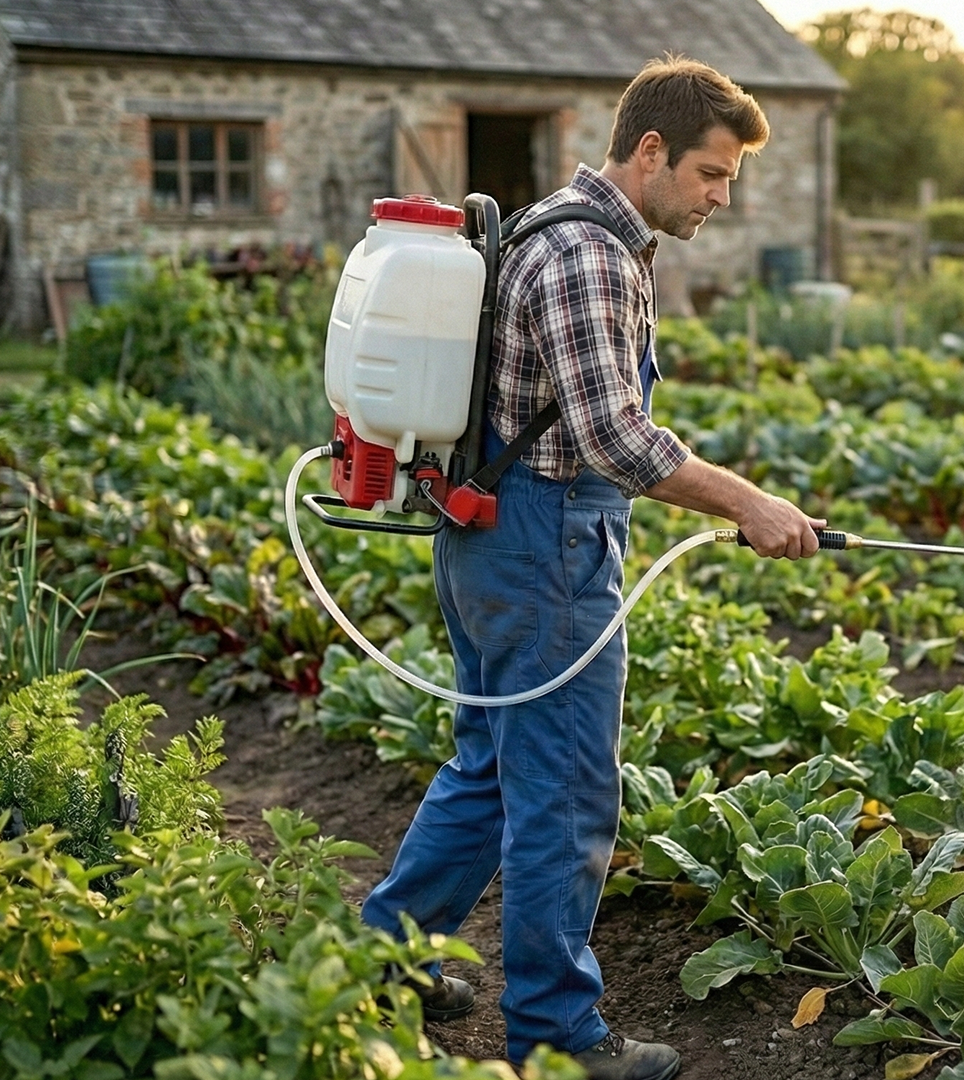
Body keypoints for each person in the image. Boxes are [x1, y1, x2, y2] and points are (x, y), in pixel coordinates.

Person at [359, 57, 822, 1080]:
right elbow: (613, 438)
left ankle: (379, 963)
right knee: (566, 794)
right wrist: (747, 501)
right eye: (710, 172)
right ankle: (560, 1044)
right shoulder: (588, 254)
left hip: (495, 540)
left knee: (487, 772)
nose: (720, 197)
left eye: (731, 180)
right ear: (649, 150)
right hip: (546, 548)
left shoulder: (548, 224)